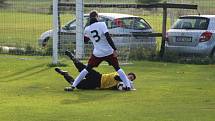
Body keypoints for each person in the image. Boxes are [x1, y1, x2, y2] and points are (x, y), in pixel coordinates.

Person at [70, 10, 132, 91]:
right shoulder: (102, 24)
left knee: (87, 69)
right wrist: (114, 49)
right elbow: (108, 37)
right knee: (118, 68)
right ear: (96, 17)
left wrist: (79, 38)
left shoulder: (87, 29)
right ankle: (128, 86)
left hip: (97, 53)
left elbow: (85, 40)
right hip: (108, 52)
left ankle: (73, 85)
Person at [55, 51, 136, 91]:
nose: (130, 79)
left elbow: (118, 88)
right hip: (98, 77)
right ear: (127, 74)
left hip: (95, 85)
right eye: (130, 77)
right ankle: (72, 57)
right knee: (82, 68)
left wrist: (125, 87)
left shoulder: (122, 83)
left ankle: (64, 74)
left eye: (131, 79)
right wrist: (127, 83)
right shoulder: (120, 75)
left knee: (77, 85)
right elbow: (116, 77)